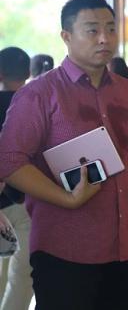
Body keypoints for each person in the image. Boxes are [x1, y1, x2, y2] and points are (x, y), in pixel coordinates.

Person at [0, 0, 128, 310]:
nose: (104, 38)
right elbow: (9, 161)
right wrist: (67, 198)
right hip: (64, 251)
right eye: (92, 30)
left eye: (111, 28)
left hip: (125, 247)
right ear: (66, 36)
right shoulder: (39, 94)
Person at [0, 46, 33, 310]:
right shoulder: (32, 106)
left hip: (3, 201)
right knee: (22, 276)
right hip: (26, 199)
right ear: (28, 73)